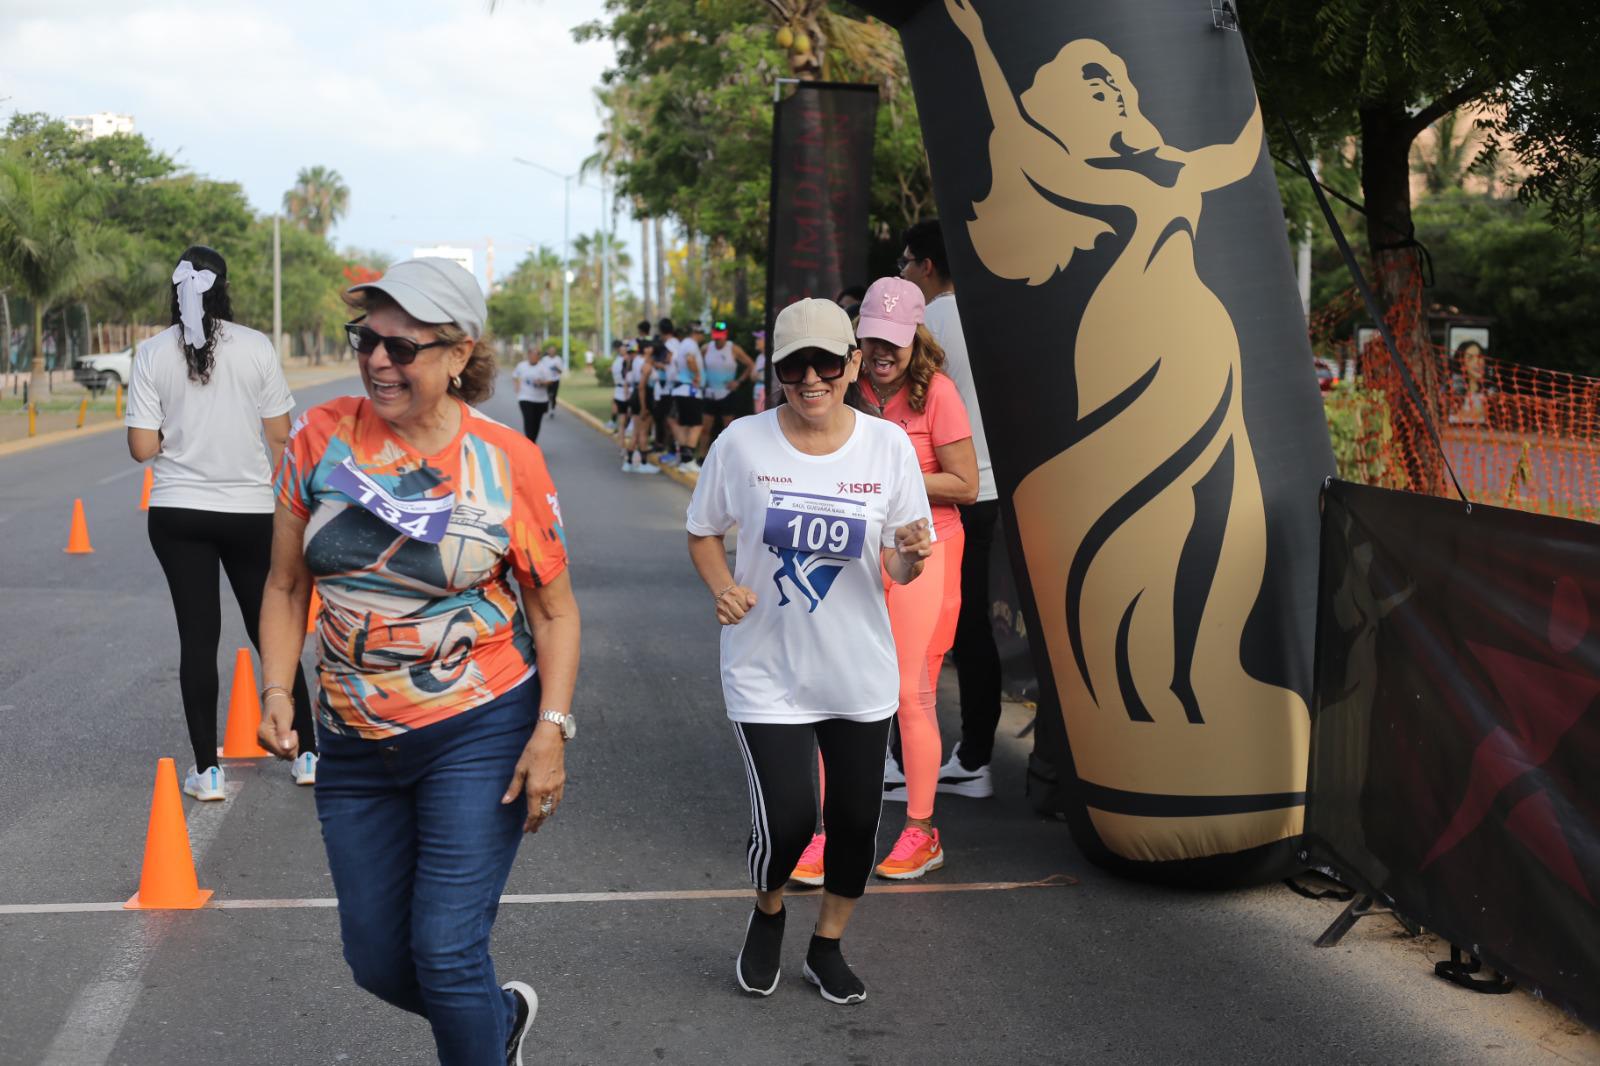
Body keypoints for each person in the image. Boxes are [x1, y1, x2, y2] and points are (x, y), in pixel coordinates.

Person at [256, 257, 581, 1066]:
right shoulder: (321, 436)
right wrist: (276, 689)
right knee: (377, 963)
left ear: (459, 354)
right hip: (355, 743)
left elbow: (555, 611)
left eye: (403, 348)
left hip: (479, 728)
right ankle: (494, 1021)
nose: (376, 361)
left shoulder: (508, 463)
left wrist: (553, 729)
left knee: (444, 950)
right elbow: (286, 580)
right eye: (366, 339)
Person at [687, 296, 933, 1005]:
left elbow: (900, 564)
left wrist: (912, 557)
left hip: (857, 670)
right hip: (766, 669)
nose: (813, 378)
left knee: (857, 826)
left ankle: (827, 945)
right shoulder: (742, 442)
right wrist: (722, 585)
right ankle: (768, 911)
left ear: (854, 364)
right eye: (796, 366)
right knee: (791, 819)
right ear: (777, 372)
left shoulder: (886, 448)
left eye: (828, 361)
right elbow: (703, 530)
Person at [800, 276, 977, 884]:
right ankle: (823, 835)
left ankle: (920, 831)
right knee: (836, 687)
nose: (882, 351)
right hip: (857, 550)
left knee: (908, 694)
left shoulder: (939, 394)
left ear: (915, 339)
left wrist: (891, 479)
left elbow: (967, 485)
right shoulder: (844, 391)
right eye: (872, 337)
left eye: (894, 340)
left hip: (928, 551)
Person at [125, 245, 318, 800]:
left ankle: (207, 771)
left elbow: (142, 448)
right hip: (251, 511)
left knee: (197, 637)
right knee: (271, 630)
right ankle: (306, 754)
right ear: (224, 289)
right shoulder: (256, 346)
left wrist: (177, 435)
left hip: (177, 511)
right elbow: (281, 437)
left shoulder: (151, 352)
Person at [899, 218, 1001, 798]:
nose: (904, 272)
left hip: (936, 493)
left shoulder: (925, 323)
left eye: (907, 262)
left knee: (909, 629)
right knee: (972, 629)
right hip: (988, 491)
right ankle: (975, 755)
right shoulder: (995, 316)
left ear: (928, 266)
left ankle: (903, 756)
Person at [698, 320, 755, 458]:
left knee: (728, 429)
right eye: (716, 334)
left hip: (727, 393)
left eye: (721, 334)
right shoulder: (706, 348)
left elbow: (750, 364)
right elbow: (698, 366)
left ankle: (728, 458)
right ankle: (701, 457)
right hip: (710, 393)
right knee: (705, 428)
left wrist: (738, 382)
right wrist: (701, 380)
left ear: (726, 334)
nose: (719, 338)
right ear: (712, 334)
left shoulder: (733, 348)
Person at [667, 319, 704, 471]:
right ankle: (688, 460)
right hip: (689, 390)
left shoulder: (683, 344)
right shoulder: (691, 344)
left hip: (681, 389)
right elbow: (690, 359)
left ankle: (684, 458)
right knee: (696, 425)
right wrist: (696, 374)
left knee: (683, 424)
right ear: (697, 333)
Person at [512, 347, 552, 444]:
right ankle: (529, 444)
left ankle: (533, 442)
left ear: (539, 357)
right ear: (528, 355)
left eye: (536, 355)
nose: (533, 357)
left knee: (536, 423)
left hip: (540, 400)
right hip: (525, 398)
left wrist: (542, 383)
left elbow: (550, 381)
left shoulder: (544, 368)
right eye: (531, 354)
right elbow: (515, 376)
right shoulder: (521, 366)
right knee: (528, 420)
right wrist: (517, 387)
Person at [751, 330, 769, 414]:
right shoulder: (759, 357)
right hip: (757, 391)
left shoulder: (771, 357)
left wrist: (758, 375)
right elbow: (752, 377)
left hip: (765, 392)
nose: (756, 341)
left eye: (759, 339)